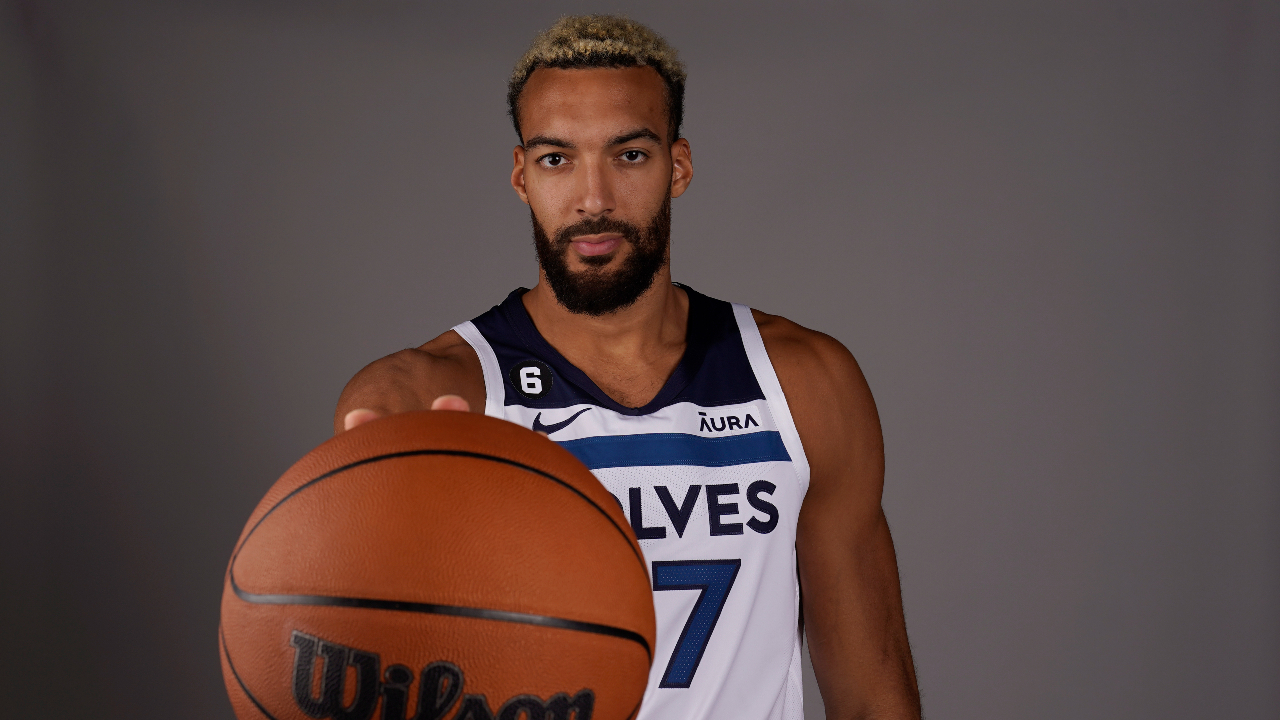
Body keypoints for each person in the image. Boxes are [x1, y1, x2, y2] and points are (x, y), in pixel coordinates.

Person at [336, 15, 921, 720]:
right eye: (558, 159)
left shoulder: (802, 383)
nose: (594, 199)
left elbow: (872, 698)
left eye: (630, 156)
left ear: (678, 167)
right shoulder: (437, 396)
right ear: (521, 176)